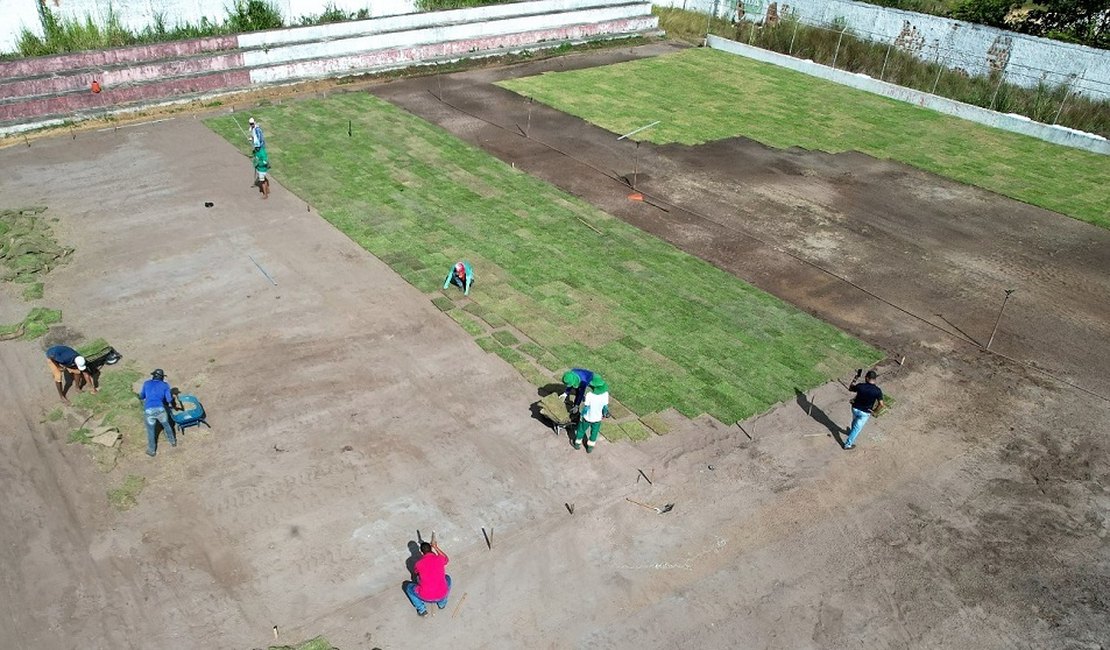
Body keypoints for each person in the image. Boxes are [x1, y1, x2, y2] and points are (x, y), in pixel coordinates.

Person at [405, 539, 452, 617]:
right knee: (447, 578)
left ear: (421, 552)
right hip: (442, 594)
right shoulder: (439, 559)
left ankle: (422, 610)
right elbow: (446, 559)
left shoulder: (418, 564)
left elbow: (416, 573)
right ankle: (442, 604)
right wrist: (436, 547)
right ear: (431, 549)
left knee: (409, 587)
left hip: (425, 596)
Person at [139, 369, 178, 457]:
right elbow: (168, 399)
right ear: (162, 378)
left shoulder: (146, 383)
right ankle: (173, 441)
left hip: (148, 410)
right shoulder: (165, 385)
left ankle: (152, 450)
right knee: (166, 425)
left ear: (153, 376)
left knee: (150, 431)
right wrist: (173, 402)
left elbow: (142, 396)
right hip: (160, 409)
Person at [844, 369, 884, 450]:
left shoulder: (860, 386)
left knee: (854, 422)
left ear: (866, 378)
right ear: (875, 379)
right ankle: (848, 445)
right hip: (865, 413)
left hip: (855, 409)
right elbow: (881, 404)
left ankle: (851, 432)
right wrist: (875, 412)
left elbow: (850, 388)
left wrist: (856, 377)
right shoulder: (877, 391)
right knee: (856, 429)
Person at [574, 376, 610, 454]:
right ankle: (590, 447)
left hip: (587, 417)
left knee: (581, 430)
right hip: (597, 418)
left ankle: (577, 443)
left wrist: (582, 415)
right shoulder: (605, 394)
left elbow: (586, 407)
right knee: (594, 433)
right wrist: (604, 414)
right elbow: (605, 407)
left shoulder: (589, 395)